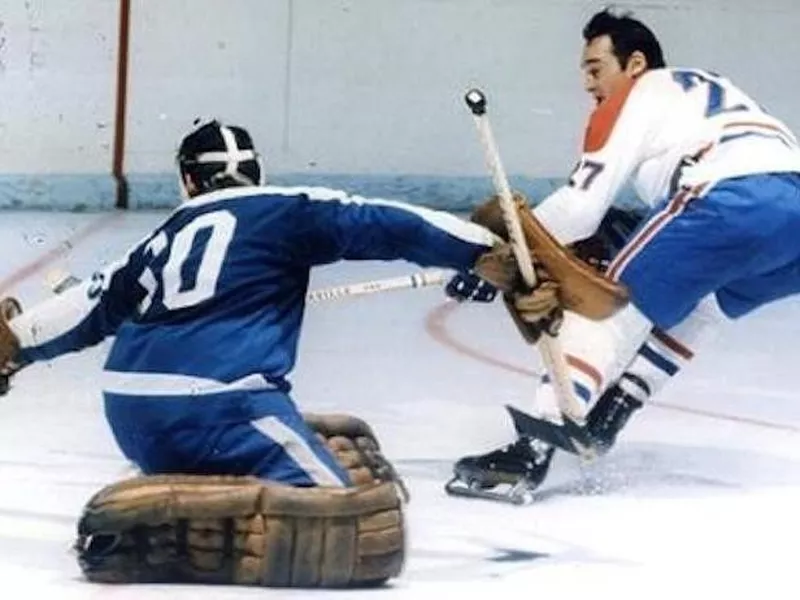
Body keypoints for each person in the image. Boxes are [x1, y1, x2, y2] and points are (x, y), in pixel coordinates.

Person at [0, 119, 551, 585]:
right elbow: (387, 222)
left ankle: (181, 484)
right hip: (220, 408)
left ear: (188, 180)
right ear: (257, 171)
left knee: (306, 444)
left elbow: (89, 305)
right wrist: (481, 251)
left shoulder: (162, 237)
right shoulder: (286, 209)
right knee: (353, 518)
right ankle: (193, 535)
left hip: (130, 415)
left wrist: (15, 347)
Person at [446, 8, 800, 503]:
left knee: (604, 307)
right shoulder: (704, 87)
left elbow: (579, 210)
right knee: (702, 307)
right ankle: (610, 415)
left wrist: (491, 253)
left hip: (729, 195)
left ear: (635, 64)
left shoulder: (638, 93)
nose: (588, 84)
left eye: (596, 68)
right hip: (791, 215)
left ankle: (531, 449)